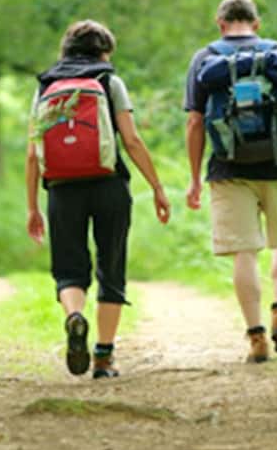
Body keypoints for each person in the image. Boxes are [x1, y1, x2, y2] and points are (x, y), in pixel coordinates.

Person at [184, 0, 277, 363]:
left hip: (230, 170)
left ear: (220, 23)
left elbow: (196, 122)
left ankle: (257, 338)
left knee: (244, 252)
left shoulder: (206, 58)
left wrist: (195, 179)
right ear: (256, 23)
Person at [26, 19, 171, 379]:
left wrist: (32, 206)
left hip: (61, 189)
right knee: (112, 265)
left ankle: (75, 317)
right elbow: (132, 140)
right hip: (109, 186)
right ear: (104, 51)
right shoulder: (109, 82)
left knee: (69, 268)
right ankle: (104, 357)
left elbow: (32, 153)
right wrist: (157, 186)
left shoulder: (46, 86)